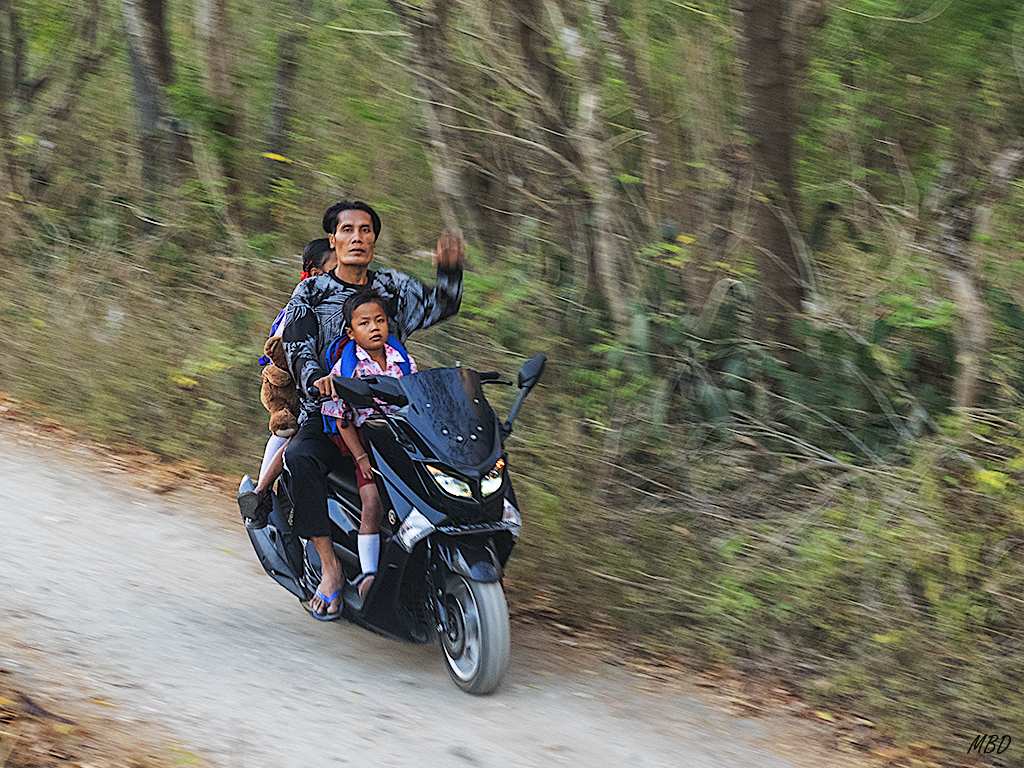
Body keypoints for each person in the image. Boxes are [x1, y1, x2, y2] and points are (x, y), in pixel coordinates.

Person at [282, 200, 464, 620]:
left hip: (394, 414)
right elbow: (296, 346)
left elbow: (441, 305)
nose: (357, 238)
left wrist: (450, 272)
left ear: (374, 240)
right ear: (333, 240)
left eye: (365, 230)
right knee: (300, 457)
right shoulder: (311, 292)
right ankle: (330, 568)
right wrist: (318, 380)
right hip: (331, 414)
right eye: (347, 230)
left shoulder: (392, 286)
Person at [321, 290, 417, 601]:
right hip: (368, 441)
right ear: (351, 332)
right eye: (364, 323)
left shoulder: (403, 360)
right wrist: (361, 457)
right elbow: (342, 420)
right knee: (373, 501)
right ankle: (369, 573)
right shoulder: (347, 368)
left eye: (380, 320)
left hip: (402, 437)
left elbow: (418, 397)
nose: (374, 327)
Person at [238, 239, 337, 528]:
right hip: (302, 389)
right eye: (336, 267)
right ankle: (261, 496)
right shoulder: (301, 307)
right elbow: (282, 351)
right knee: (290, 434)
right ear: (316, 274)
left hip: (337, 388)